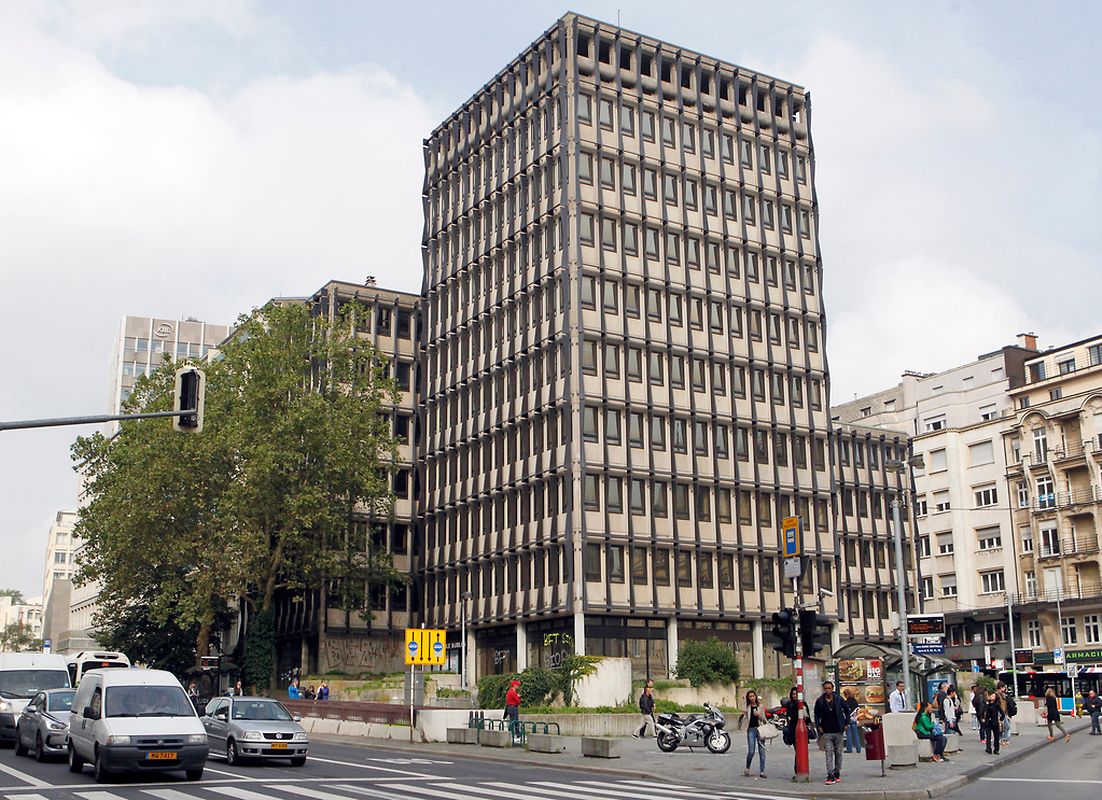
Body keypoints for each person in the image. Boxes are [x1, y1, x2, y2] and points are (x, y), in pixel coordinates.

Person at [814, 680, 848, 785]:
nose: (827, 690)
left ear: (832, 689)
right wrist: (818, 726)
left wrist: (846, 723)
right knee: (828, 753)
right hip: (826, 731)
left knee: (838, 752)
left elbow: (846, 709)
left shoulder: (839, 699)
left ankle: (837, 771)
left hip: (838, 729)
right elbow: (816, 714)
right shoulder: (820, 701)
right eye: (826, 688)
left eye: (829, 688)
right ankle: (830, 774)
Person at [740, 690, 769, 778]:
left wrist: (759, 715)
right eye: (750, 696)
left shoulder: (760, 706)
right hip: (751, 730)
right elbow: (743, 714)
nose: (752, 698)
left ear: (756, 696)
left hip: (760, 730)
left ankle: (762, 771)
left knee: (762, 751)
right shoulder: (747, 707)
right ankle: (747, 768)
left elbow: (764, 721)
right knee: (751, 751)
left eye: (753, 696)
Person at [980, 689, 1006, 755]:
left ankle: (996, 749)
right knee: (988, 736)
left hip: (995, 722)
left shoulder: (996, 705)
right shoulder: (987, 704)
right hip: (988, 722)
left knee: (996, 737)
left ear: (995, 698)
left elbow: (1002, 713)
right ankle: (988, 748)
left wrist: (1000, 719)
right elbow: (983, 711)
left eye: (993, 696)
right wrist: (983, 718)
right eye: (991, 695)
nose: (991, 696)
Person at [842, 688, 862, 754]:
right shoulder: (855, 701)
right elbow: (857, 709)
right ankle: (858, 749)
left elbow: (845, 712)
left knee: (848, 734)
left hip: (848, 720)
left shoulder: (846, 702)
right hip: (854, 719)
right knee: (856, 734)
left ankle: (849, 749)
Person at [996, 681, 1013, 746]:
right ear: (1001, 687)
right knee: (1006, 726)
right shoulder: (997, 695)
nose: (1005, 689)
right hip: (1000, 713)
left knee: (1003, 727)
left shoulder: (1003, 695)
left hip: (1004, 713)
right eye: (1004, 687)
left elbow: (1005, 704)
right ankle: (1003, 739)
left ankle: (1002, 739)